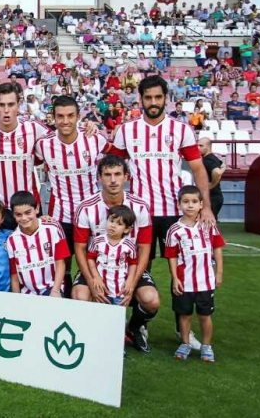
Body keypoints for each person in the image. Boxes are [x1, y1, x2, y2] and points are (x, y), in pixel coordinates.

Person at [110, 75, 214, 349]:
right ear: (140, 99)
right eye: (148, 98)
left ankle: (183, 330)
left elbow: (198, 169)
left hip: (173, 213)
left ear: (166, 98)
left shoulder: (180, 130)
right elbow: (111, 163)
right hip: (137, 214)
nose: (153, 102)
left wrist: (206, 208)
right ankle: (135, 324)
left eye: (158, 97)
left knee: (183, 269)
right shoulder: (126, 130)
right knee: (132, 266)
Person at [73, 155, 160, 353]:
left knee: (151, 300)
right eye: (107, 175)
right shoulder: (86, 207)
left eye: (118, 174)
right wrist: (92, 280)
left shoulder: (140, 206)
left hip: (127, 267)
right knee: (80, 297)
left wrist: (132, 282)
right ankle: (98, 334)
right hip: (98, 266)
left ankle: (134, 328)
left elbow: (145, 247)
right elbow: (80, 248)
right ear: (99, 178)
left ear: (126, 177)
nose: (113, 180)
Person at [34, 95, 108, 292]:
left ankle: (103, 309)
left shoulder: (95, 139)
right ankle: (66, 311)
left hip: (93, 216)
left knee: (99, 266)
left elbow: (115, 160)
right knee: (61, 267)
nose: (65, 121)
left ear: (78, 117)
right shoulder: (43, 145)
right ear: (53, 118)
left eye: (70, 116)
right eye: (60, 116)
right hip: (61, 215)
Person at [0, 82, 50, 229]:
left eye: (11, 104)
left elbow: (60, 139)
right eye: (1, 105)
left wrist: (88, 127)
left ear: (19, 104)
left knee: (32, 250)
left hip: (28, 207)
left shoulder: (34, 128)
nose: (6, 110)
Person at [166, 185, 225, 362]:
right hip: (185, 282)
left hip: (205, 281)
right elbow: (171, 256)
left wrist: (219, 272)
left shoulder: (208, 225)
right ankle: (185, 343)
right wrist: (175, 278)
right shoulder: (174, 230)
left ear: (201, 204)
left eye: (194, 202)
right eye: (185, 202)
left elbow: (217, 248)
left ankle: (206, 346)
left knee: (205, 316)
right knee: (184, 315)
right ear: (179, 205)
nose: (189, 205)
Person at [7, 191, 70, 296]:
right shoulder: (12, 240)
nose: (24, 218)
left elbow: (60, 263)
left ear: (37, 209)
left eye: (28, 213)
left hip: (51, 288)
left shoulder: (52, 228)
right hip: (27, 294)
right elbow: (14, 276)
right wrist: (17, 300)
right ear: (13, 215)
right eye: (19, 214)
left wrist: (55, 290)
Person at [86, 205, 139, 306]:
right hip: (100, 288)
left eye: (119, 224)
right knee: (100, 315)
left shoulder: (128, 245)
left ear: (127, 229)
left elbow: (133, 263)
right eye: (111, 221)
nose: (113, 225)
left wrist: (130, 280)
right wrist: (96, 276)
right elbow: (90, 258)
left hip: (119, 290)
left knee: (117, 317)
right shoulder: (98, 241)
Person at [198, 138, 225, 218]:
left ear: (208, 147)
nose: (198, 148)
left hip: (211, 197)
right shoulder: (212, 157)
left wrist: (211, 185)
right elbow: (223, 165)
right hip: (215, 196)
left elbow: (217, 172)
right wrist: (221, 171)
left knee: (207, 224)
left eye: (201, 146)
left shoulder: (208, 160)